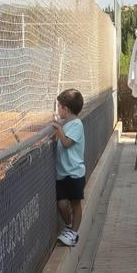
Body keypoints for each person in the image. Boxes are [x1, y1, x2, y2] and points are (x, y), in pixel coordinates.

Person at [53, 89, 86, 246]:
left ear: (65, 108)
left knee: (75, 202)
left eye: (59, 106)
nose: (57, 109)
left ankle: (74, 232)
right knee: (61, 203)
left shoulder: (76, 125)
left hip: (74, 173)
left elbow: (66, 143)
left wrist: (59, 129)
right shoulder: (67, 124)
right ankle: (69, 226)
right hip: (62, 173)